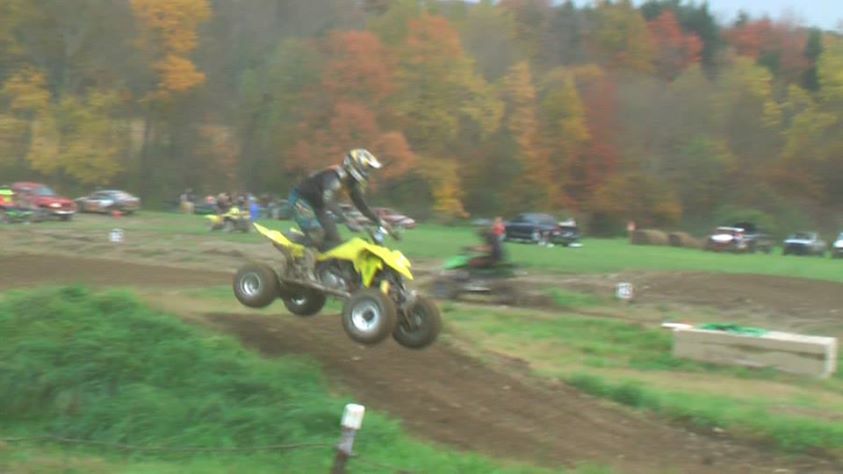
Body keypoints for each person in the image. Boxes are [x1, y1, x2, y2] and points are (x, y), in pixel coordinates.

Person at [289, 148, 386, 251]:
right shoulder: (333, 175)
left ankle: (318, 258)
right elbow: (328, 200)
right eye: (366, 168)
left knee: (335, 242)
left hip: (318, 206)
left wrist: (379, 221)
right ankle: (290, 243)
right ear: (355, 165)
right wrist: (347, 220)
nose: (368, 172)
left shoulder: (351, 183)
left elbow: (362, 207)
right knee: (317, 235)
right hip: (301, 200)